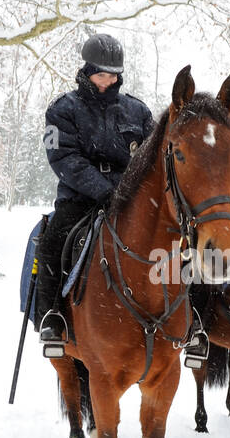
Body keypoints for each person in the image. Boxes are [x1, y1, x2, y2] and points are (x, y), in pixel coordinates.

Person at [35, 33, 153, 348]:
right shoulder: (63, 109)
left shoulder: (137, 113)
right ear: (87, 71)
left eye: (113, 75)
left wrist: (131, 194)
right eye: (101, 74)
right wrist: (104, 191)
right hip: (80, 200)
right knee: (52, 242)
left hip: (129, 202)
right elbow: (64, 159)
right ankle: (53, 315)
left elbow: (153, 158)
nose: (107, 81)